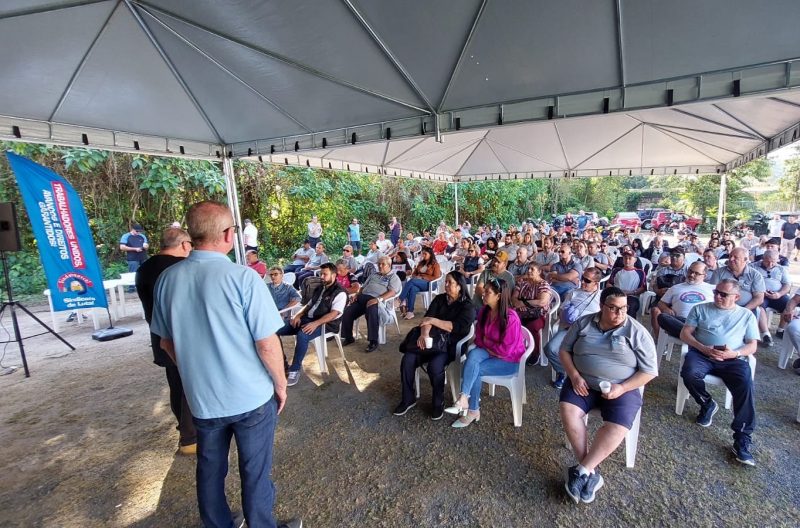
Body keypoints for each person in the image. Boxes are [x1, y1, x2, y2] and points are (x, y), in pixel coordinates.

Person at [150, 201, 299, 528]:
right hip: (250, 397)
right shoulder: (243, 278)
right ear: (229, 234)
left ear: (192, 235)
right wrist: (280, 383)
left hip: (203, 399)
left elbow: (166, 343)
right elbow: (266, 343)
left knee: (210, 469)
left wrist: (192, 373)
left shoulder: (167, 280)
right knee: (255, 470)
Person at [559, 287, 658, 504]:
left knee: (618, 425)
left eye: (624, 308)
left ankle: (583, 469)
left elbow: (650, 371)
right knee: (568, 409)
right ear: (602, 306)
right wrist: (574, 376)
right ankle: (590, 472)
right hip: (583, 383)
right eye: (613, 308)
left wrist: (622, 388)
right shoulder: (584, 323)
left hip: (622, 387)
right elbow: (564, 351)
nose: (620, 313)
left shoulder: (636, 331)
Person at [679, 279, 759, 466]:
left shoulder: (746, 315)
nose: (717, 296)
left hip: (732, 358)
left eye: (723, 294)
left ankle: (742, 438)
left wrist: (735, 353)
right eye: (716, 292)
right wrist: (703, 348)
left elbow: (752, 345)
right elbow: (685, 334)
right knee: (690, 373)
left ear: (736, 297)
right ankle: (707, 403)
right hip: (702, 354)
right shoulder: (701, 309)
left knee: (745, 385)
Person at [135, 227, 196, 455]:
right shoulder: (177, 269)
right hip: (183, 338)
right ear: (183, 244)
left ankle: (184, 429)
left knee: (176, 384)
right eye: (190, 244)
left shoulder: (144, 268)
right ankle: (190, 437)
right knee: (190, 386)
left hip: (159, 336)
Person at [394, 272, 476, 420]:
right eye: (445, 282)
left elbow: (455, 327)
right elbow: (426, 319)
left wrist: (434, 321)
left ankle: (438, 402)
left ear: (459, 286)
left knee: (435, 365)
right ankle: (408, 398)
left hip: (450, 345)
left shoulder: (467, 306)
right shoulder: (439, 299)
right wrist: (424, 334)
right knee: (408, 359)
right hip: (430, 341)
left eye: (449, 282)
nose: (445, 285)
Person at [444, 277, 525, 428]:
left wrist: (487, 345)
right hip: (492, 352)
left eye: (487, 292)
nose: (483, 294)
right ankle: (464, 398)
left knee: (476, 368)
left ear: (499, 296)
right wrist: (488, 344)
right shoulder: (484, 312)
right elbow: (479, 338)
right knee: (473, 355)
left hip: (509, 361)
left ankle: (473, 410)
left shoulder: (511, 318)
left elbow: (505, 350)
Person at [276, 263, 347, 386]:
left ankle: (294, 369)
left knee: (303, 335)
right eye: (321, 274)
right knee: (275, 329)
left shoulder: (340, 292)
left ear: (334, 275)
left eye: (325, 274)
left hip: (325, 324)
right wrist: (298, 315)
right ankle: (282, 363)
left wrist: (315, 323)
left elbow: (334, 314)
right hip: (307, 318)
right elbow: (308, 305)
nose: (322, 277)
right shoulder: (320, 287)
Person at [544, 268, 603, 389]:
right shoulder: (573, 292)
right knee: (550, 349)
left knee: (585, 354)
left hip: (590, 332)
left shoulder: (601, 297)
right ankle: (563, 372)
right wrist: (567, 315)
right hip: (570, 329)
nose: (583, 282)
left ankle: (584, 377)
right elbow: (561, 312)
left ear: (596, 283)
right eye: (582, 278)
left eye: (587, 280)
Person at [340, 256, 402, 353]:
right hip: (362, 298)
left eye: (383, 264)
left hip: (377, 301)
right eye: (379, 264)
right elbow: (363, 287)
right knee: (347, 311)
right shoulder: (374, 275)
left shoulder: (393, 277)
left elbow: (392, 292)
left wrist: (378, 299)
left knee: (372, 310)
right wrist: (356, 295)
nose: (380, 266)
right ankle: (349, 337)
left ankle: (373, 341)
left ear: (389, 265)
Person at [653, 261, 713, 340]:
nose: (691, 275)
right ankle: (695, 336)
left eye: (696, 273)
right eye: (690, 271)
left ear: (704, 276)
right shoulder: (676, 288)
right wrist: (665, 308)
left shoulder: (712, 289)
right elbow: (661, 303)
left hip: (702, 324)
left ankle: (692, 335)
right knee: (663, 317)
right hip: (680, 321)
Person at [511, 263, 552, 362]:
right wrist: (519, 304)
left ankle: (535, 353)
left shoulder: (543, 284)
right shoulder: (522, 282)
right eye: (528, 269)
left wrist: (524, 303)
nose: (529, 271)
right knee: (510, 321)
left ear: (539, 272)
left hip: (538, 314)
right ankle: (514, 349)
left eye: (532, 269)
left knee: (532, 326)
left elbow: (542, 302)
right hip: (521, 312)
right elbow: (513, 298)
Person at [752, 249, 791, 342]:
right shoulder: (753, 266)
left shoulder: (782, 269)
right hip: (760, 294)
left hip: (777, 295)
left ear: (777, 260)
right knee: (759, 306)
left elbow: (787, 285)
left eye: (773, 262)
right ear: (763, 258)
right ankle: (766, 334)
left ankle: (781, 329)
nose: (770, 264)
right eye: (767, 262)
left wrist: (779, 294)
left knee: (789, 304)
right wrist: (760, 291)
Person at [398, 247, 441, 319]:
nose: (423, 255)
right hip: (419, 283)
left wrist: (422, 277)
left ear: (430, 254)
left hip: (430, 284)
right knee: (413, 288)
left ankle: (400, 299)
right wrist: (416, 276)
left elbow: (436, 277)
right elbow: (414, 273)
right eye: (422, 254)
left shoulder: (435, 264)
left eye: (425, 254)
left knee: (411, 282)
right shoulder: (421, 263)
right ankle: (410, 312)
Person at [609, 251, 646, 317]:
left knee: (630, 307)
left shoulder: (640, 272)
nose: (627, 260)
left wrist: (630, 292)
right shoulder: (616, 270)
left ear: (635, 260)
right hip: (616, 295)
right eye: (625, 258)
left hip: (631, 297)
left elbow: (643, 288)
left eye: (630, 258)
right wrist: (615, 291)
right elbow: (609, 284)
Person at [120, 223, 149, 291]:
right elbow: (122, 247)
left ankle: (145, 287)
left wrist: (146, 246)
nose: (138, 232)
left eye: (139, 231)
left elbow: (147, 246)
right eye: (137, 231)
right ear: (132, 229)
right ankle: (131, 288)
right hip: (132, 257)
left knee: (145, 272)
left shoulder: (142, 236)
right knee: (133, 273)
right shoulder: (126, 236)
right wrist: (135, 249)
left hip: (143, 256)